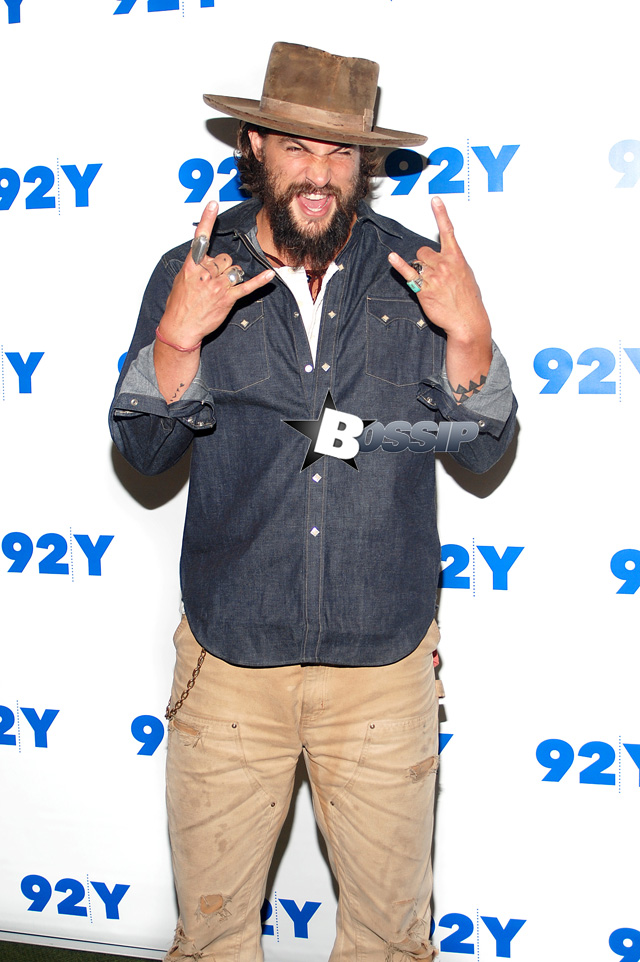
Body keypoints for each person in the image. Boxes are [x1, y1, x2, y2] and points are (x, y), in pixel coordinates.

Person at [110, 41, 516, 962]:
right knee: (211, 937)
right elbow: (141, 448)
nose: (319, 175)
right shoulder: (195, 271)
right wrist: (176, 346)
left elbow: (487, 449)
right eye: (297, 147)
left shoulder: (422, 272)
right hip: (230, 660)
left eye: (340, 154)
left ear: (365, 164)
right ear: (254, 144)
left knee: (388, 938)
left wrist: (472, 338)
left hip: (383, 663)